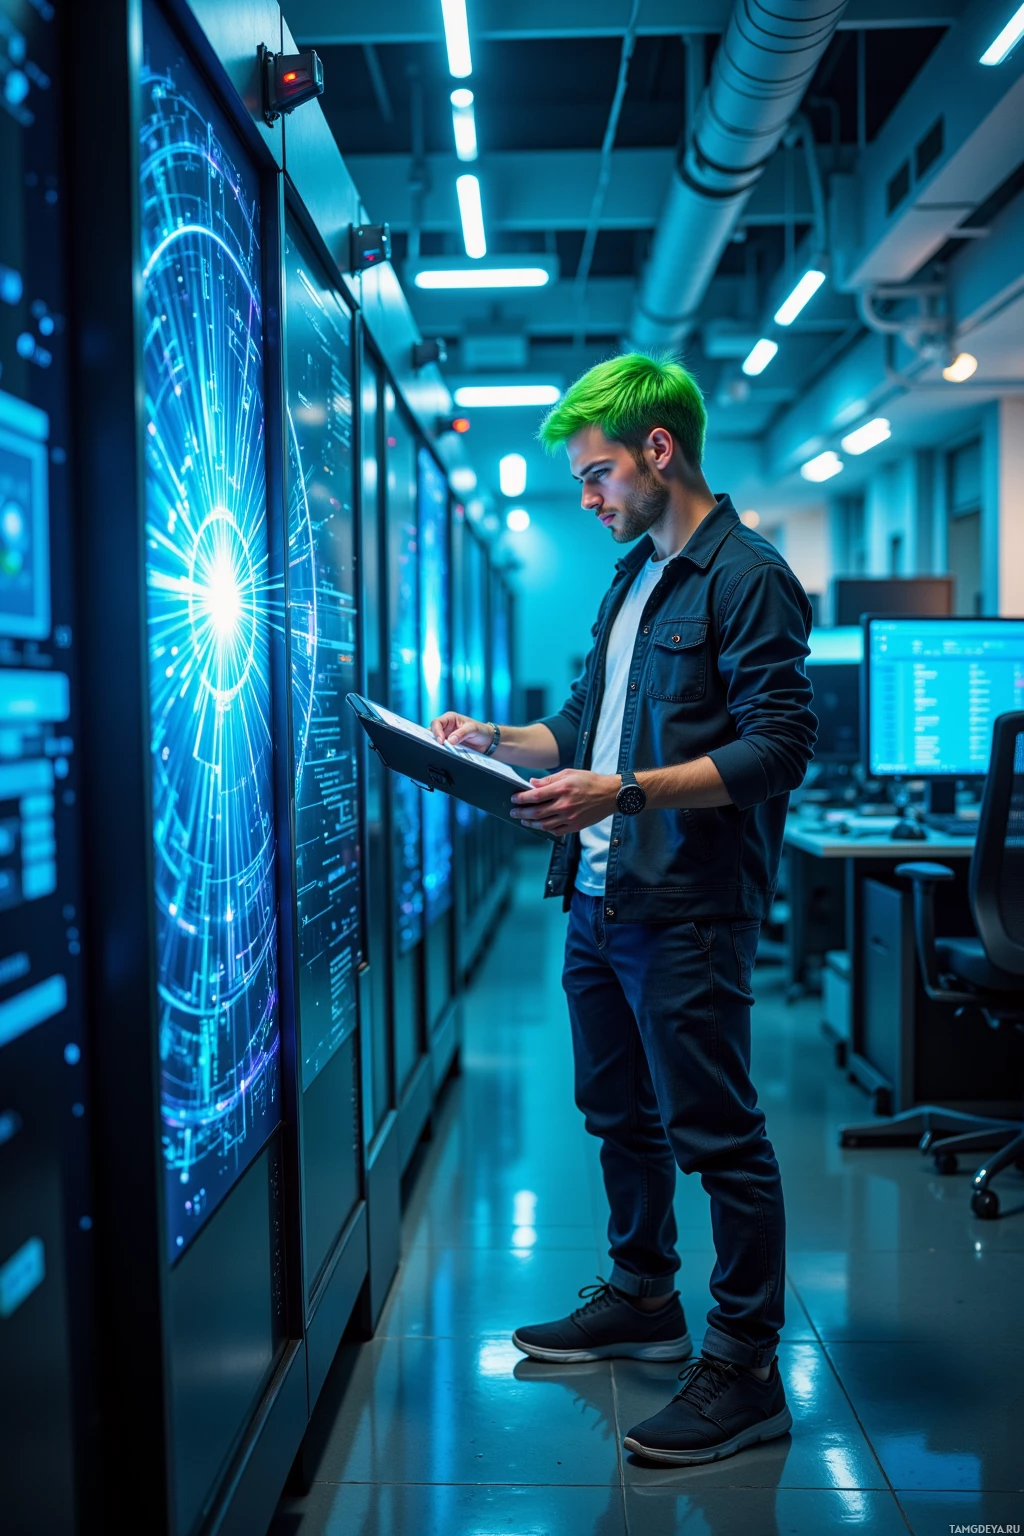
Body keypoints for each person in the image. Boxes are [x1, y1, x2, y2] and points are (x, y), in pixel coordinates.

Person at [430, 353, 816, 1467]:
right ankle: (646, 1295)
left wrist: (629, 792)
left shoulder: (746, 576)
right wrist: (493, 741)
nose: (587, 499)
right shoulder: (632, 577)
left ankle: (744, 1368)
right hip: (599, 895)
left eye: (596, 476)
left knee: (718, 1135)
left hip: (687, 901)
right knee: (618, 1115)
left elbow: (777, 746)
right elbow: (583, 727)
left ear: (659, 452)